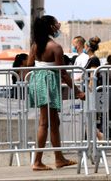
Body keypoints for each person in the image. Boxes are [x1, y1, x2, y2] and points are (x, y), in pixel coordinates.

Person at [26, 15, 85, 171]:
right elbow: (63, 73)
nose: (59, 26)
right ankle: (37, 161)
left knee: (54, 121)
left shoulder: (35, 45)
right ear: (51, 27)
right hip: (48, 83)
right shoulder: (55, 47)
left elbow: (29, 64)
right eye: (56, 24)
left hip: (38, 81)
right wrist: (78, 91)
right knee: (44, 123)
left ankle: (59, 158)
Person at [84, 36, 104, 140]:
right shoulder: (91, 59)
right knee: (89, 120)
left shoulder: (94, 59)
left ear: (87, 47)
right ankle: (96, 141)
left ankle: (100, 139)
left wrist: (90, 89)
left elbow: (92, 76)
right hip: (90, 92)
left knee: (90, 119)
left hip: (92, 93)